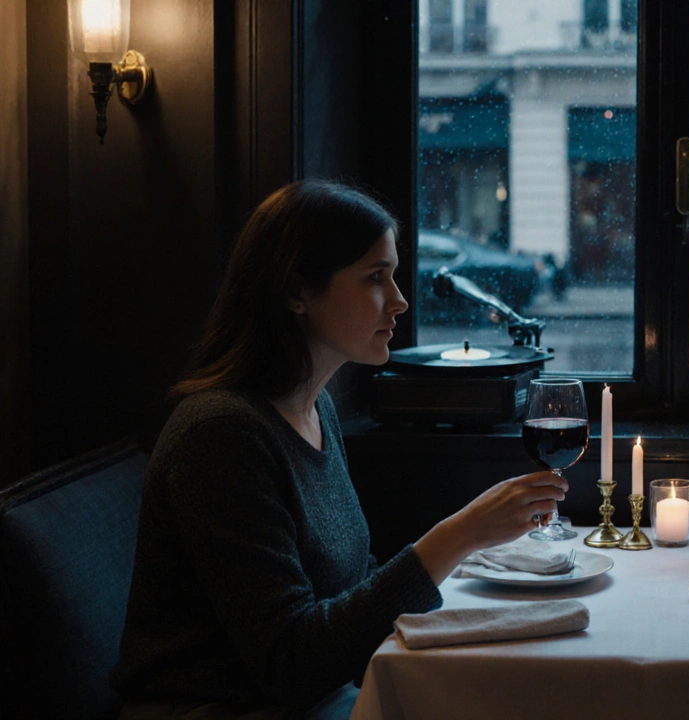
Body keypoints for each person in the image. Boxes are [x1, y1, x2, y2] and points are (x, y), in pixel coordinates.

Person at [110, 179, 568, 718]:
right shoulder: (220, 434)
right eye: (376, 277)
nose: (399, 301)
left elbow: (352, 594)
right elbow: (293, 663)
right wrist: (460, 535)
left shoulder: (315, 410)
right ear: (296, 291)